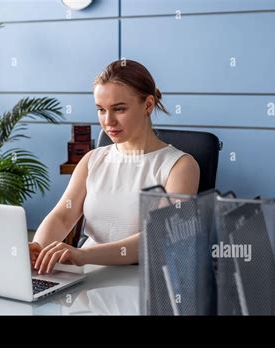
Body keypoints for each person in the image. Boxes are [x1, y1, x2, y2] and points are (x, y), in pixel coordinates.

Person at [30, 59, 200, 274]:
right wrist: (39, 249)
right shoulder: (92, 160)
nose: (108, 121)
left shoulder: (180, 166)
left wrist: (83, 255)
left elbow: (159, 237)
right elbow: (62, 217)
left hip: (142, 282)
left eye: (119, 109)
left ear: (148, 105)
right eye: (101, 110)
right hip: (85, 280)